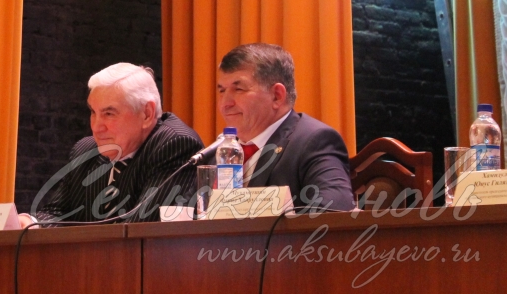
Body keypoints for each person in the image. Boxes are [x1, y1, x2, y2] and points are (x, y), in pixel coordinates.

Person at [24, 63, 203, 225]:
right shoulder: (85, 151)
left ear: (147, 114)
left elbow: (141, 229)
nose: (96, 127)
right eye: (93, 112)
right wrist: (31, 223)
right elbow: (56, 213)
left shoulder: (175, 145)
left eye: (109, 114)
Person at [216, 43, 355, 211]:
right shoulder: (219, 151)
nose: (225, 104)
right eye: (222, 91)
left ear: (277, 96)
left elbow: (333, 212)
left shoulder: (314, 142)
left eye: (238, 89)